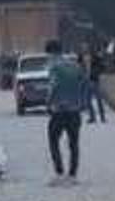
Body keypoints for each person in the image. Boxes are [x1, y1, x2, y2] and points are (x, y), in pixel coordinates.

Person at [45, 40, 90, 184]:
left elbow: (53, 85)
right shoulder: (75, 65)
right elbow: (85, 84)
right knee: (74, 143)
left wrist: (49, 102)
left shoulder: (54, 67)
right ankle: (72, 175)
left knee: (53, 141)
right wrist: (82, 103)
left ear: (50, 52)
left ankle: (59, 172)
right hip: (74, 110)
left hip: (59, 110)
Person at [85, 45, 107, 124]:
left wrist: (96, 72)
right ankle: (92, 117)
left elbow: (103, 67)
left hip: (94, 81)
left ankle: (102, 117)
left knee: (99, 100)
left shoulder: (97, 58)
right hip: (86, 81)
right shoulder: (82, 58)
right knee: (87, 100)